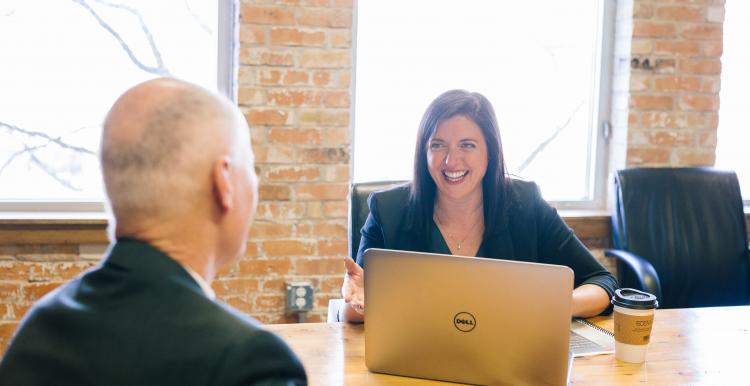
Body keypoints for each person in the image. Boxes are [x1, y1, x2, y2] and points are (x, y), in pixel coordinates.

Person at [0, 78, 307, 385]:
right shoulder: (252, 362)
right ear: (223, 181)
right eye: (251, 167)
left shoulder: (39, 329)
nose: (255, 183)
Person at [341, 89, 617, 323]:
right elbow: (353, 309)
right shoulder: (388, 210)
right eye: (438, 145)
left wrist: (555, 306)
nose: (451, 161)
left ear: (491, 151)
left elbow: (602, 281)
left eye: (467, 145)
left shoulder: (525, 205)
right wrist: (359, 301)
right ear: (423, 152)